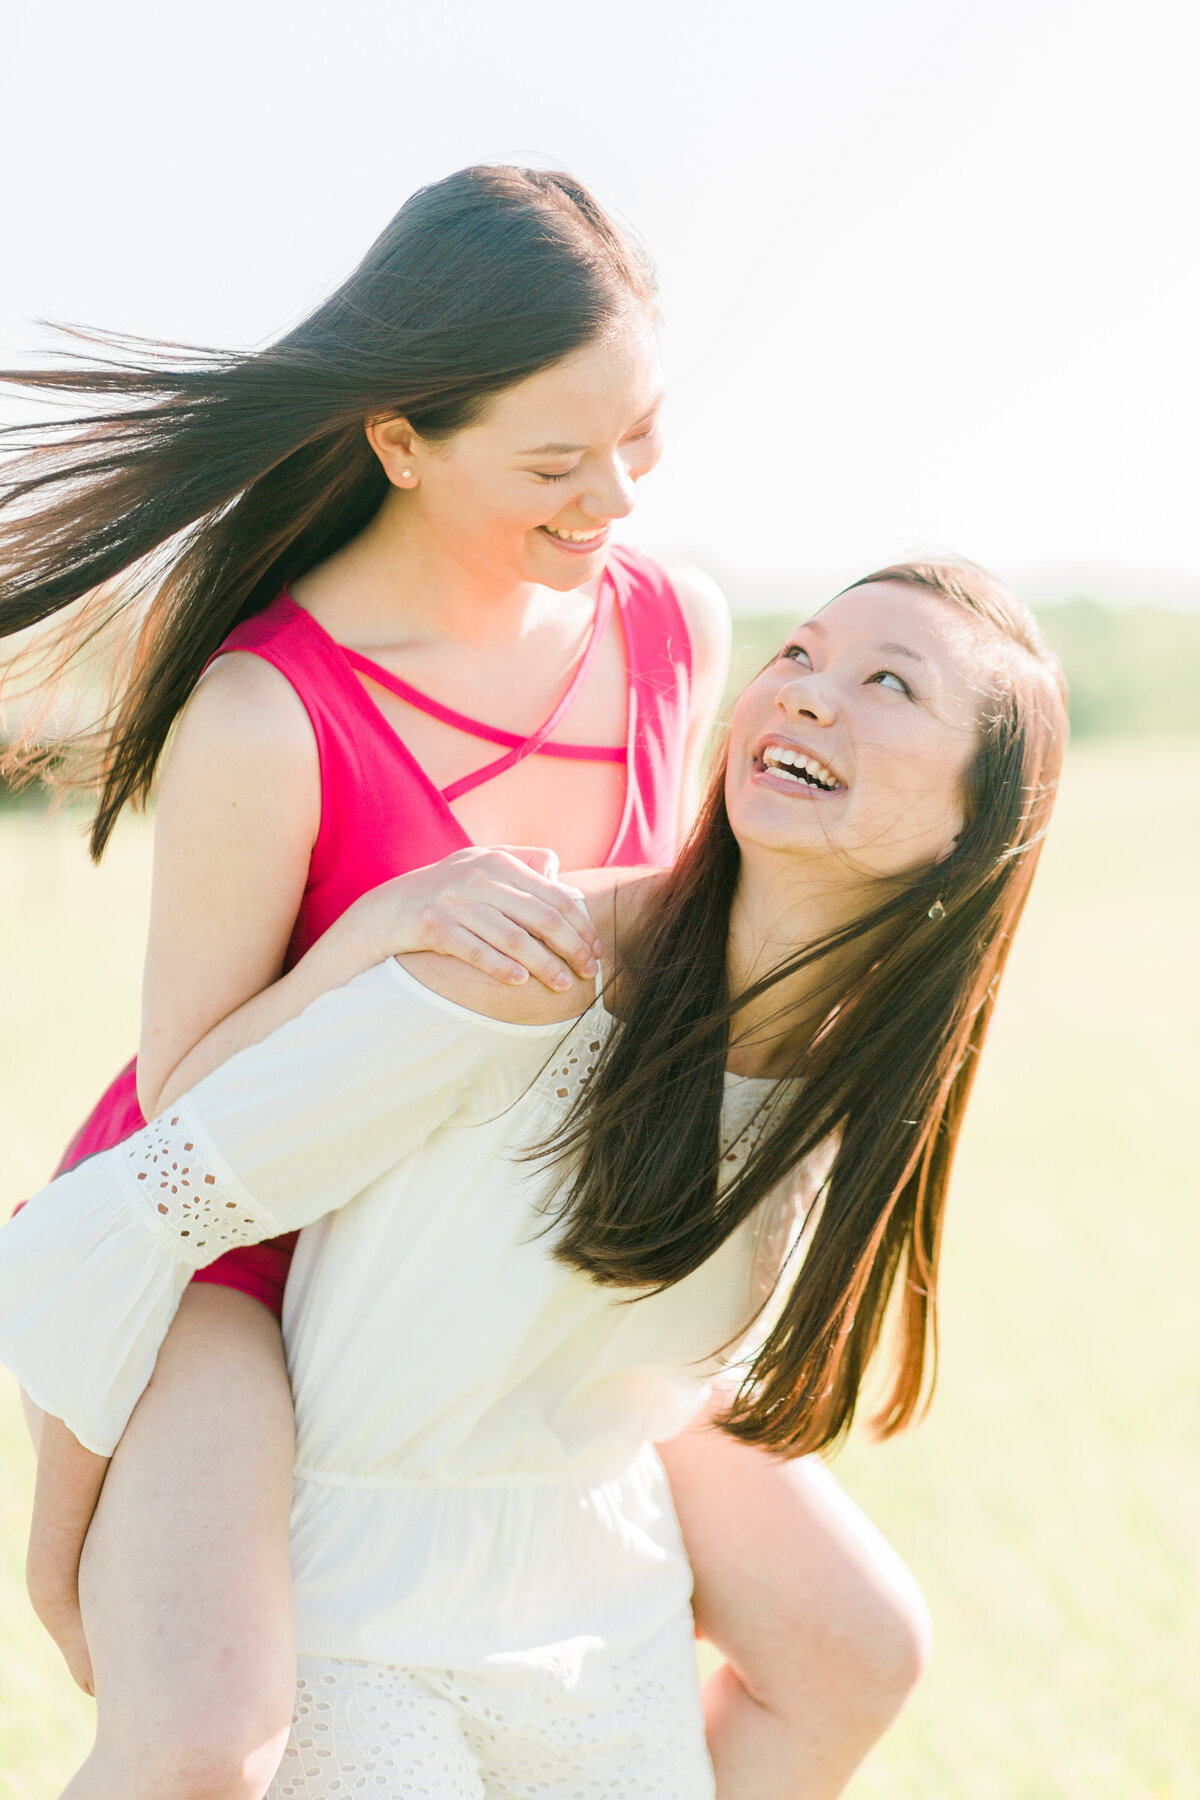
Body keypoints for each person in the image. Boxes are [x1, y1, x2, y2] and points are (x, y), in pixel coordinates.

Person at [2, 166, 916, 1800]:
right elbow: (185, 1105)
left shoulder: (665, 629)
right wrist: (377, 931)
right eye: (558, 463)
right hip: (245, 1254)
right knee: (203, 1744)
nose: (614, 502)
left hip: (495, 1274)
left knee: (854, 1639)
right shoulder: (266, 710)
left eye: (639, 437)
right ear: (400, 442)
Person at [0, 561, 1068, 1797]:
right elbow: (116, 1212)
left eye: (888, 682)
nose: (808, 696)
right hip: (354, 1593)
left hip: (596, 1593)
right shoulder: (525, 969)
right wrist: (63, 1546)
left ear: (972, 829)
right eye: (800, 655)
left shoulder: (854, 1086)